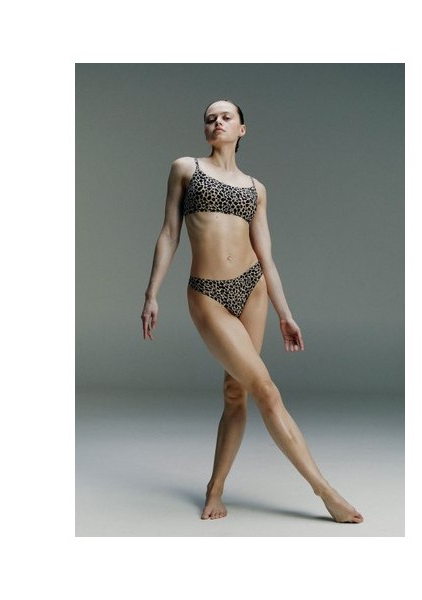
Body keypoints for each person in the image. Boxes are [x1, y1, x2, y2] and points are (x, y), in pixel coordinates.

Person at [141, 99, 363, 523]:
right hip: (207, 293)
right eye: (210, 118)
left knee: (236, 392)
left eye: (226, 117)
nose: (217, 122)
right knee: (266, 389)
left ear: (241, 129)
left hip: (253, 288)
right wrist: (152, 293)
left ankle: (215, 488)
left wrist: (285, 313)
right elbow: (169, 233)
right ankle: (325, 491)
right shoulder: (186, 169)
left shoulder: (256, 189)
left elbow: (267, 257)